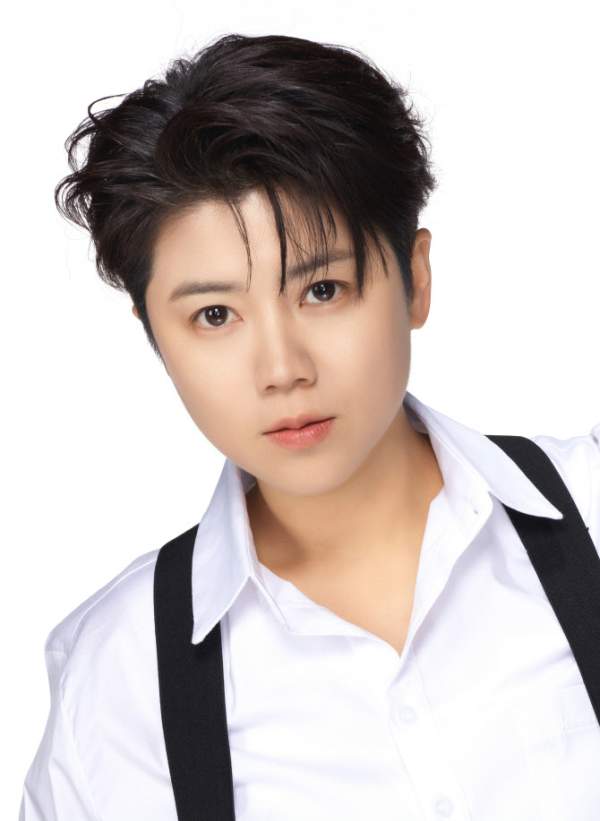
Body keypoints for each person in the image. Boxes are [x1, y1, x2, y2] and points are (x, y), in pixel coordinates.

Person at [19, 32, 600, 821]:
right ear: (154, 334)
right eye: (215, 314)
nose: (281, 367)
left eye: (322, 290)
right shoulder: (118, 686)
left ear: (416, 278)